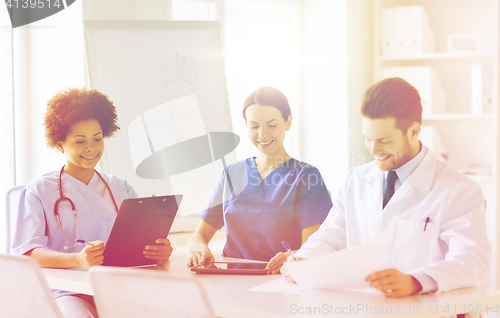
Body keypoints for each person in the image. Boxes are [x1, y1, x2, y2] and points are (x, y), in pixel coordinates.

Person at [283, 77, 490, 297]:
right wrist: (303, 260)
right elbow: (331, 236)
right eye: (368, 139)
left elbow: (472, 260)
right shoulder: (356, 180)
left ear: (413, 131)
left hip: (422, 309)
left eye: (384, 140)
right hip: (362, 307)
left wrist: (415, 281)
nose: (374, 150)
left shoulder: (458, 190)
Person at [10, 88, 173, 318]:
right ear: (59, 144)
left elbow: (138, 242)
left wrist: (158, 251)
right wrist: (76, 259)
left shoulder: (121, 187)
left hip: (118, 287)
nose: (91, 148)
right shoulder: (39, 190)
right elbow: (27, 253)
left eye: (97, 138)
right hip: (67, 290)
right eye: (80, 141)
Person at [187, 86, 332, 274]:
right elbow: (198, 237)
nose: (262, 134)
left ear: (288, 122)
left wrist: (292, 257)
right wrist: (200, 251)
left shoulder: (306, 177)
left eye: (271, 125)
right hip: (230, 279)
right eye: (254, 126)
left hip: (282, 280)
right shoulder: (231, 175)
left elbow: (312, 248)